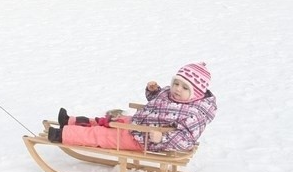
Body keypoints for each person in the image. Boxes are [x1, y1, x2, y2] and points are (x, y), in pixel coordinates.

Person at [47, 63, 217, 153]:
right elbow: (159, 102)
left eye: (185, 87)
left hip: (143, 140)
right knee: (107, 122)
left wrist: (161, 139)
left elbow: (186, 140)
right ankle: (70, 122)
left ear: (196, 94)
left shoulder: (194, 114)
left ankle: (62, 134)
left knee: (101, 135)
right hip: (137, 122)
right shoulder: (171, 94)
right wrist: (153, 91)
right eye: (176, 83)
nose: (177, 89)